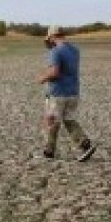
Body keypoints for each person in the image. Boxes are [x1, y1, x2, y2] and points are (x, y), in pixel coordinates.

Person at [36, 26, 95, 161]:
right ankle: (85, 144)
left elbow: (54, 72)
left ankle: (49, 151)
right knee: (69, 120)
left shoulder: (56, 51)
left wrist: (42, 78)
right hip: (73, 92)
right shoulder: (74, 50)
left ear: (52, 37)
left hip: (58, 93)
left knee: (52, 121)